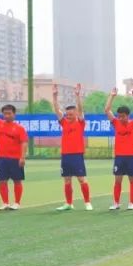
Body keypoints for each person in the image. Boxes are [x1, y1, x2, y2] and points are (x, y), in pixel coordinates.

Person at [0, 90, 27, 210]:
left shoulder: (20, 128)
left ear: (14, 114)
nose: (7, 115)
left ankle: (17, 203)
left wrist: (22, 157)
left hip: (15, 159)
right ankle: (5, 203)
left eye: (9, 113)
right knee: (2, 180)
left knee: (17, 181)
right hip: (2, 158)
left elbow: (24, 143)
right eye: (5, 113)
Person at [53, 83, 92, 211]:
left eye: (71, 114)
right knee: (67, 180)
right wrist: (55, 96)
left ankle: (87, 202)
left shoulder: (80, 123)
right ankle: (69, 203)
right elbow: (57, 110)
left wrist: (77, 95)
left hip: (77, 155)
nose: (68, 117)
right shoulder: (64, 122)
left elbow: (80, 108)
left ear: (75, 114)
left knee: (81, 179)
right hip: (66, 155)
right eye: (67, 115)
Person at [105, 88, 133, 210]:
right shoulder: (116, 123)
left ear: (128, 116)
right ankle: (116, 203)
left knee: (132, 180)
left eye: (123, 116)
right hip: (119, 157)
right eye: (119, 116)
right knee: (118, 180)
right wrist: (112, 96)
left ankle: (131, 203)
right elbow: (107, 110)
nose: (121, 118)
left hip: (132, 156)